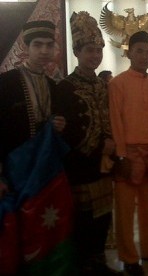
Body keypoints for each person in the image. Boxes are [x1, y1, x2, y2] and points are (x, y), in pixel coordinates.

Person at [53, 12, 118, 275]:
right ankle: (83, 266)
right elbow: (65, 131)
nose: (95, 56)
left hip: (105, 163)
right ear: (78, 52)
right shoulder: (65, 87)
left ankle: (99, 261)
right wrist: (95, 145)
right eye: (90, 50)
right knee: (84, 219)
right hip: (81, 165)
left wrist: (112, 143)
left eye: (99, 51)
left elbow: (111, 117)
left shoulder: (104, 85)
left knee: (103, 217)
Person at [108, 31, 148, 276]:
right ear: (129, 53)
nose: (145, 56)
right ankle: (128, 256)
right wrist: (122, 156)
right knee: (125, 210)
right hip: (129, 154)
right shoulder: (117, 83)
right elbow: (116, 121)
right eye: (139, 51)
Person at [0, 20, 66, 200]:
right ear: (26, 46)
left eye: (49, 45)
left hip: (44, 167)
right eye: (37, 45)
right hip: (14, 167)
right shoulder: (6, 83)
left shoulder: (53, 85)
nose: (44, 51)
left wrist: (58, 125)